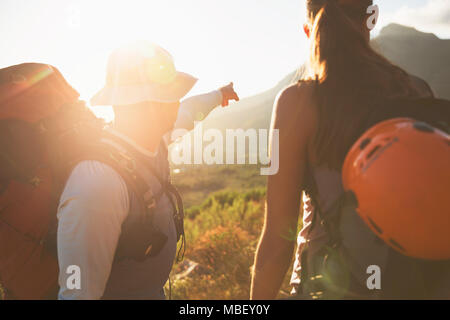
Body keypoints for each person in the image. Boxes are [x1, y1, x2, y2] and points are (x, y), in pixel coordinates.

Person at [250, 0, 436, 300]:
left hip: (328, 287)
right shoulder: (417, 90)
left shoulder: (297, 103)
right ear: (370, 19)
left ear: (308, 30)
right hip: (413, 286)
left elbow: (277, 239)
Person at [56, 42, 239, 299]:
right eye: (168, 96)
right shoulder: (97, 184)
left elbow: (190, 111)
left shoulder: (152, 143)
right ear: (144, 105)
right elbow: (77, 293)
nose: (176, 103)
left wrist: (219, 95)